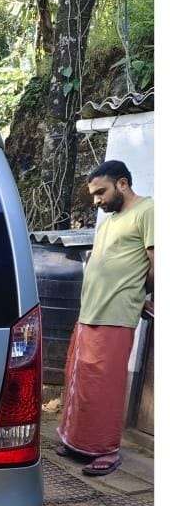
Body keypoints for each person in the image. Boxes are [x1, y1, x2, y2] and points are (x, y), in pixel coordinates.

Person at [57, 160, 154, 475]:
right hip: (90, 312)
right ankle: (78, 442)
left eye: (101, 192)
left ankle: (106, 450)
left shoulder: (148, 210)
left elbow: (156, 261)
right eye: (94, 195)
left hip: (116, 314)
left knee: (105, 386)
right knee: (82, 380)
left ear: (122, 184)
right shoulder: (110, 220)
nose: (97, 200)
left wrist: (146, 296)